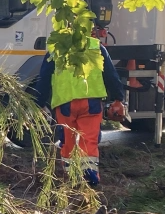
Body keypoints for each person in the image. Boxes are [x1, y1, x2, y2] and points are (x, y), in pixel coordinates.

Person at [36, 37, 125, 186]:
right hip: (91, 102)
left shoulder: (56, 49)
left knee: (68, 142)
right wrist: (118, 98)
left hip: (65, 103)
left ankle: (72, 179)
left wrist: (38, 103)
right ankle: (90, 178)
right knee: (89, 140)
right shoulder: (95, 46)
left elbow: (44, 79)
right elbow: (110, 74)